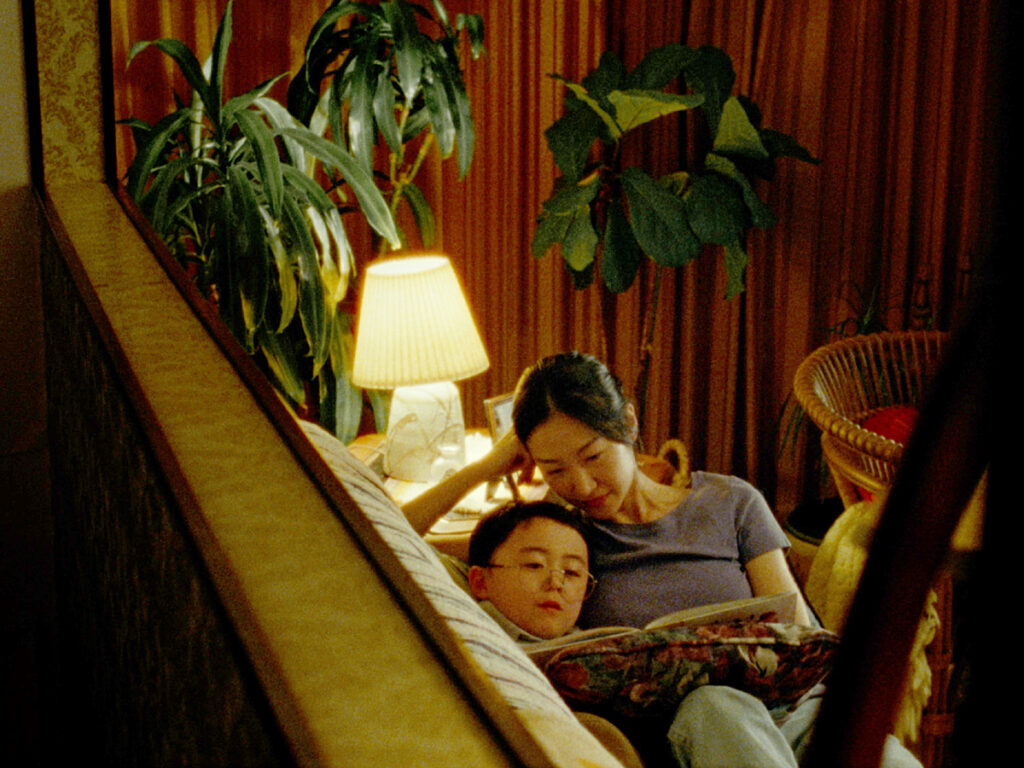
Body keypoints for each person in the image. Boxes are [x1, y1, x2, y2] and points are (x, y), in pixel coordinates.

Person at [404, 352, 923, 768]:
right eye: (554, 469)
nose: (581, 485)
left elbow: (796, 630)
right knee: (718, 704)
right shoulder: (562, 543)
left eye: (592, 456)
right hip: (698, 729)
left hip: (798, 710)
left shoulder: (730, 501)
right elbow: (393, 532)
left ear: (629, 423)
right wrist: (484, 468)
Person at [464, 501, 594, 642]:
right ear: (481, 582)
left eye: (571, 572)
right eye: (535, 565)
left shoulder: (596, 643)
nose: (556, 583)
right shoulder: (467, 641)